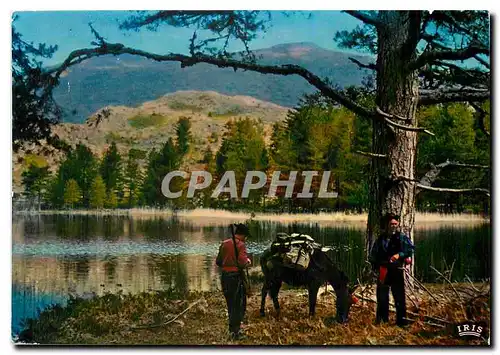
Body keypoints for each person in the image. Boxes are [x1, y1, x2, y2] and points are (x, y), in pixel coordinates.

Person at [369, 214, 414, 327]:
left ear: (398, 224)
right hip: (383, 270)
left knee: (399, 297)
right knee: (382, 297)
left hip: (396, 270)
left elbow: (410, 250)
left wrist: (400, 255)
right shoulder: (381, 239)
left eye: (395, 224)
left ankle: (402, 322)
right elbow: (373, 255)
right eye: (391, 224)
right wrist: (375, 268)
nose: (393, 226)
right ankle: (382, 321)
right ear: (387, 225)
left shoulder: (401, 237)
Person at [216, 223, 252, 340]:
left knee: (230, 303)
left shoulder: (224, 243)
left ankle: (232, 329)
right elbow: (242, 263)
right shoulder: (241, 245)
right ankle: (236, 332)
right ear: (243, 235)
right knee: (239, 304)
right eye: (246, 236)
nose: (246, 239)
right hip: (236, 277)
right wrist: (248, 262)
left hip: (225, 277)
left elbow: (218, 262)